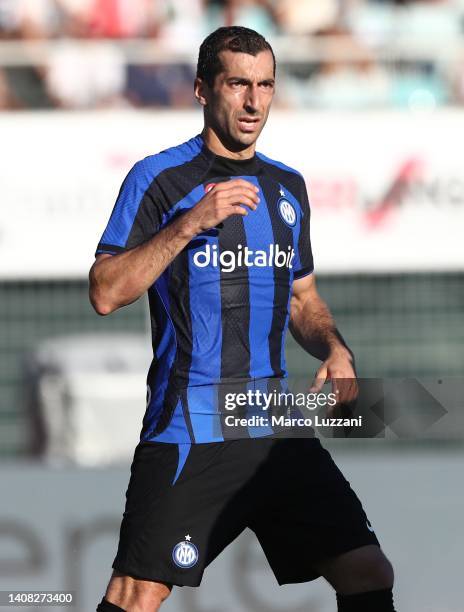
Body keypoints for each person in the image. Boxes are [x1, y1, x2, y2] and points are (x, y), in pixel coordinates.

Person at [89, 26, 397, 612]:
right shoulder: (160, 180)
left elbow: (303, 301)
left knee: (366, 571)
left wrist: (336, 350)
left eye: (266, 86)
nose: (255, 102)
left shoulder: (287, 187)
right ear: (204, 89)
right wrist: (187, 225)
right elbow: (105, 292)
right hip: (191, 425)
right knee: (136, 595)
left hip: (273, 424)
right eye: (238, 84)